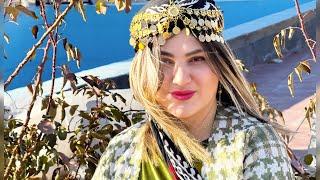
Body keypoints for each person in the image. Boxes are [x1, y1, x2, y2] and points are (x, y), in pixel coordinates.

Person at [93, 0, 295, 179]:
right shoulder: (122, 150)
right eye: (164, 61)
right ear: (143, 70)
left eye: (197, 59)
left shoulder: (254, 144)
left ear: (220, 66)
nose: (180, 79)